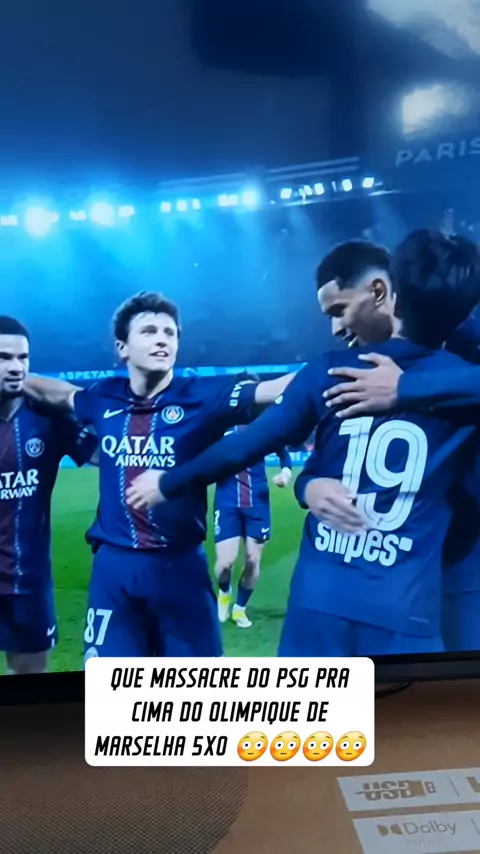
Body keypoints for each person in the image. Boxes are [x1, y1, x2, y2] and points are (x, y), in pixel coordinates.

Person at [128, 232, 480, 657]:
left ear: (392, 295)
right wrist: (306, 484)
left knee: (312, 707)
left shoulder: (329, 370)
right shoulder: (463, 391)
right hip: (407, 608)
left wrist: (169, 481)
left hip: (326, 600)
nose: (335, 328)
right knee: (424, 703)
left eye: (338, 311)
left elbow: (249, 443)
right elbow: (321, 462)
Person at [24, 292, 295, 660]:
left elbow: (275, 390)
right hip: (115, 569)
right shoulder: (103, 397)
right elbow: (60, 394)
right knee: (110, 687)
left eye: (170, 333)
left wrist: (335, 366)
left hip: (180, 567)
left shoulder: (204, 397)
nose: (162, 339)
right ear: (122, 347)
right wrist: (16, 377)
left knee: (194, 689)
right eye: (149, 331)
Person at [0, 316, 97, 675]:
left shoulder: (48, 418)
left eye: (22, 358)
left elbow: (110, 455)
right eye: (3, 357)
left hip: (28, 582)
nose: (16, 367)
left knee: (30, 686)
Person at [214, 372, 292, 628]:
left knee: (252, 560)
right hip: (226, 500)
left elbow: (284, 455)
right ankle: (224, 592)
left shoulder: (266, 424)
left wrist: (285, 473)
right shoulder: (219, 425)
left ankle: (240, 609)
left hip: (257, 501)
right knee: (224, 564)